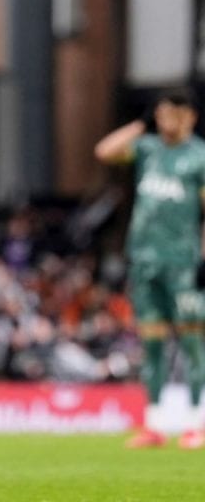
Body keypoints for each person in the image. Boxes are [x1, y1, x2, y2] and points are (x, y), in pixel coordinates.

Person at [94, 88, 205, 449]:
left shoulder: (199, 157)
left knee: (192, 341)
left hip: (183, 263)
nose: (163, 121)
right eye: (159, 114)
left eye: (170, 114)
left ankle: (197, 424)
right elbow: (105, 151)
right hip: (144, 260)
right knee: (152, 343)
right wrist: (141, 124)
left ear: (189, 116)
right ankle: (154, 425)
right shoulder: (148, 148)